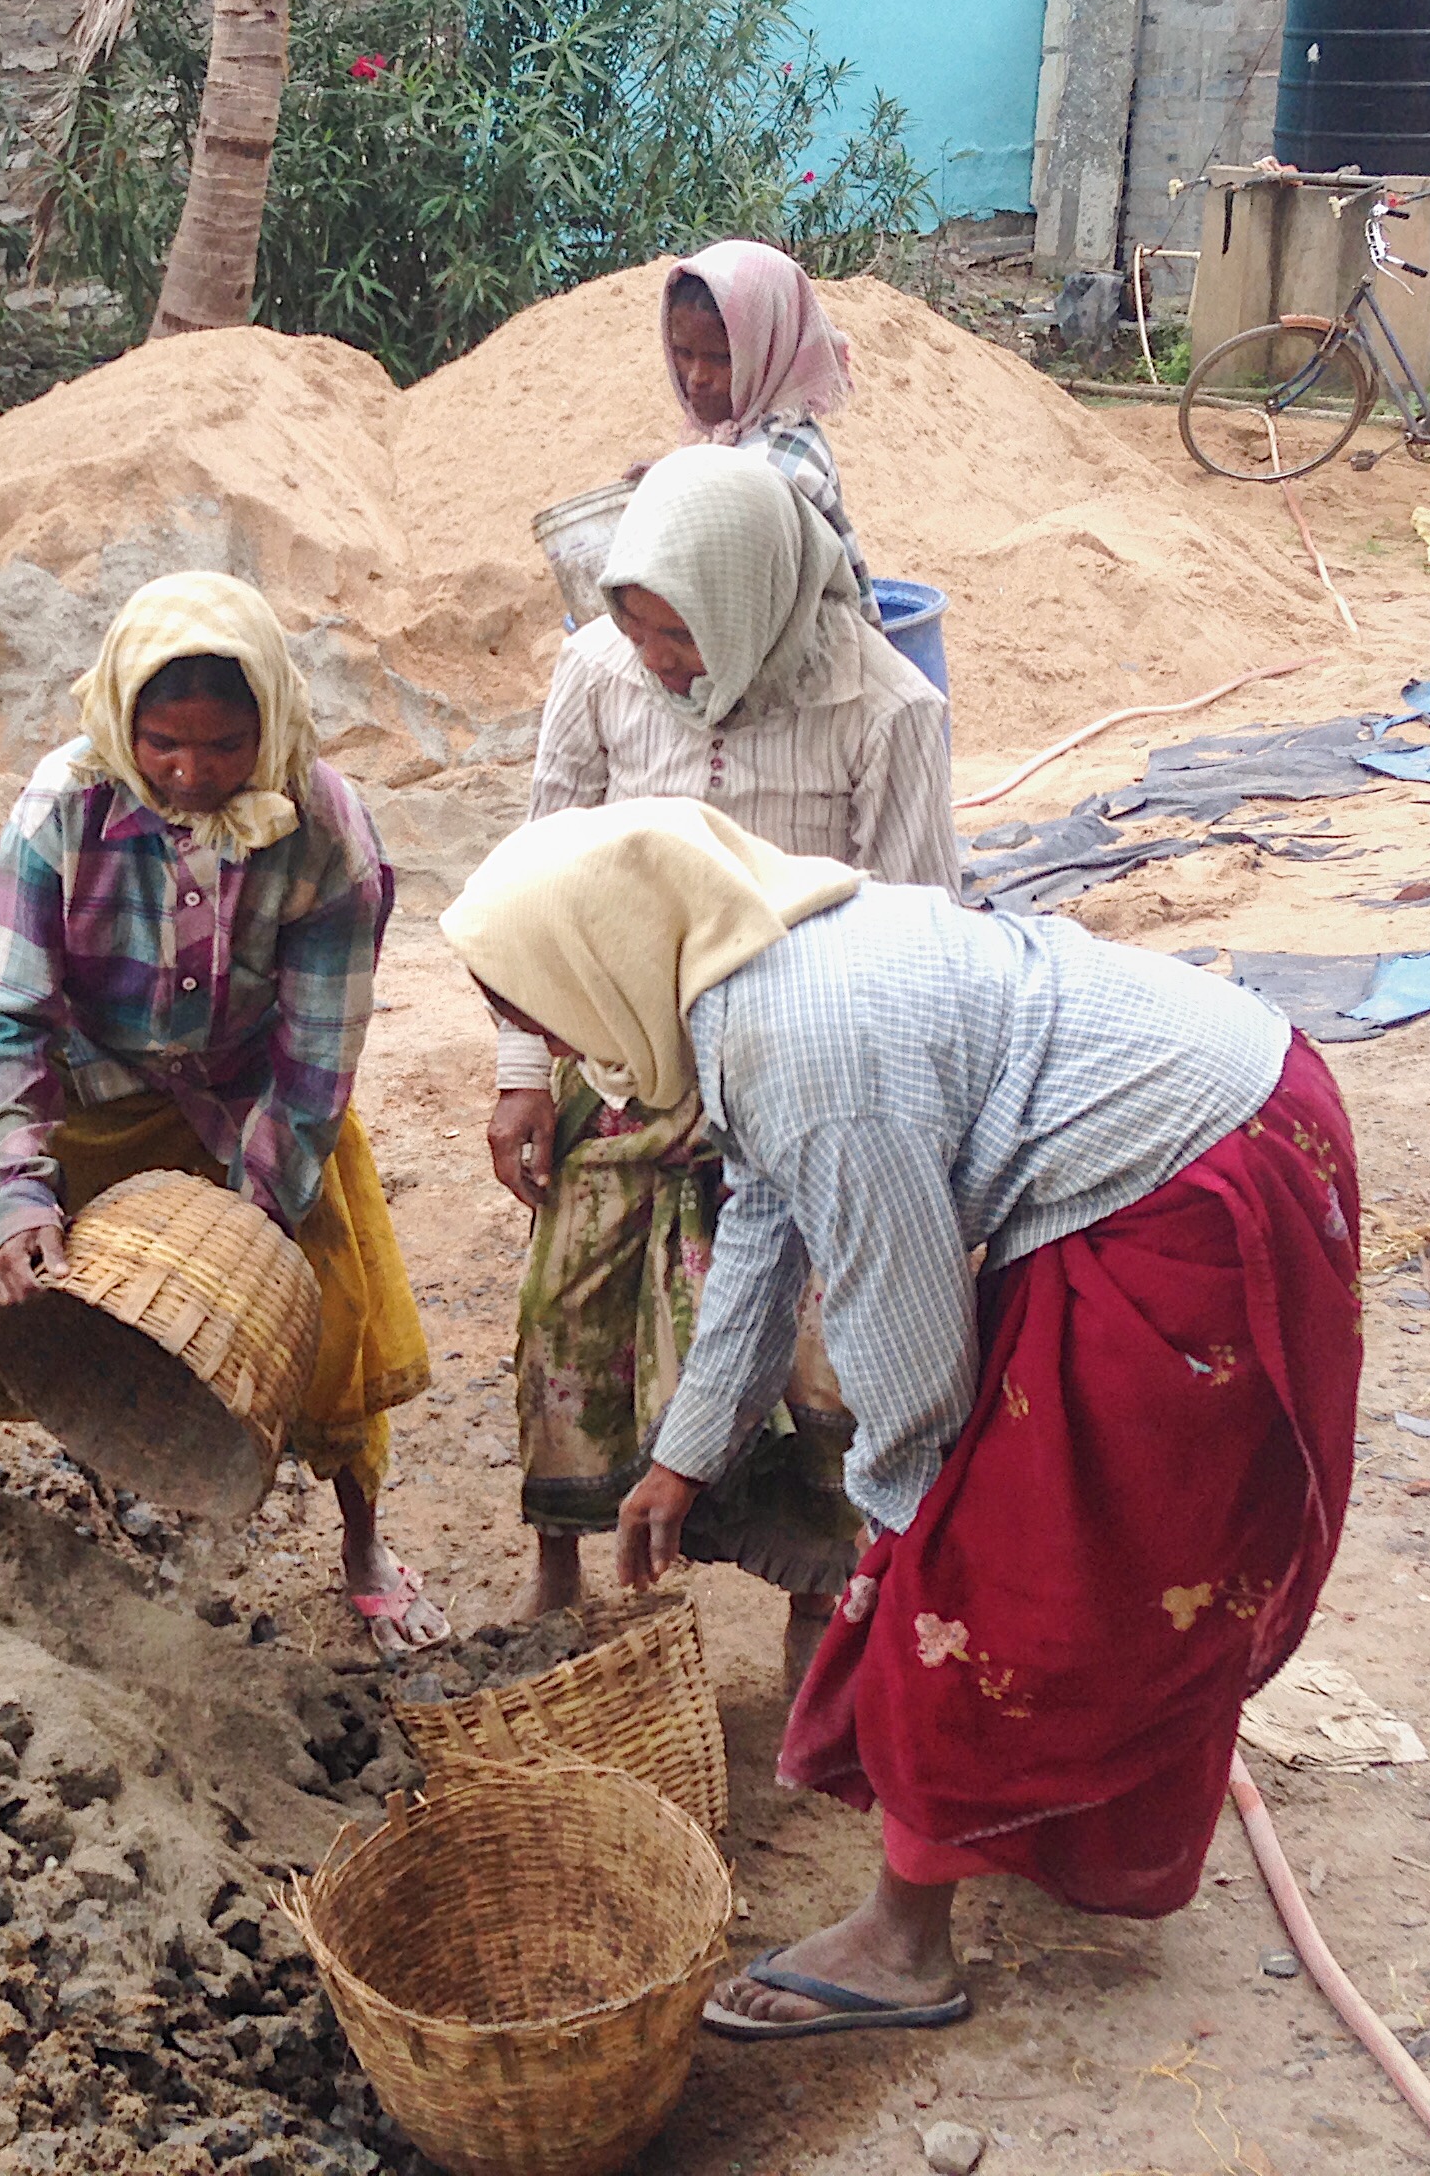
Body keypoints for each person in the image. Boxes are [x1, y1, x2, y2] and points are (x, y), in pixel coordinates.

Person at [443, 800, 1362, 2040]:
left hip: (1192, 1182)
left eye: (534, 1004)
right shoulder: (738, 973)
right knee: (1031, 1547)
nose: (540, 1038)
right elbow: (771, 1206)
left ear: (603, 953)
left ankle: (904, 1943)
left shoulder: (797, 1040)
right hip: (1217, 1119)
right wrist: (688, 1450)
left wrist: (901, 1541)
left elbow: (905, 1334)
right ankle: (1051, 1826)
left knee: (989, 1565)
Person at [0, 573, 446, 1654]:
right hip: (75, 1041)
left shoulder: (329, 836)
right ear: (122, 721)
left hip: (236, 1075)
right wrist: (23, 1193)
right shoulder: (65, 802)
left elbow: (318, 1058)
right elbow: (10, 1013)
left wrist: (255, 1214)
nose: (190, 773)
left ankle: (363, 1537)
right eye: (165, 743)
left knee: (335, 1258)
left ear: (270, 726)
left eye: (224, 746)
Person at [488, 448, 956, 1693]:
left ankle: (819, 1599)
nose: (655, 660)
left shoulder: (885, 707)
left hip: (810, 1065)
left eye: (679, 635)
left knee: (819, 1355)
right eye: (633, 624)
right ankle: (561, 1560)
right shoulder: (597, 673)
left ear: (751, 602)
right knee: (568, 1309)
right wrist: (520, 1069)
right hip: (625, 1051)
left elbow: (916, 931)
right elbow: (541, 879)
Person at [654, 239, 878, 609]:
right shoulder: (750, 437)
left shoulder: (778, 471)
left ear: (769, 350)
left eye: (719, 358)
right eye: (683, 353)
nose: (696, 377)